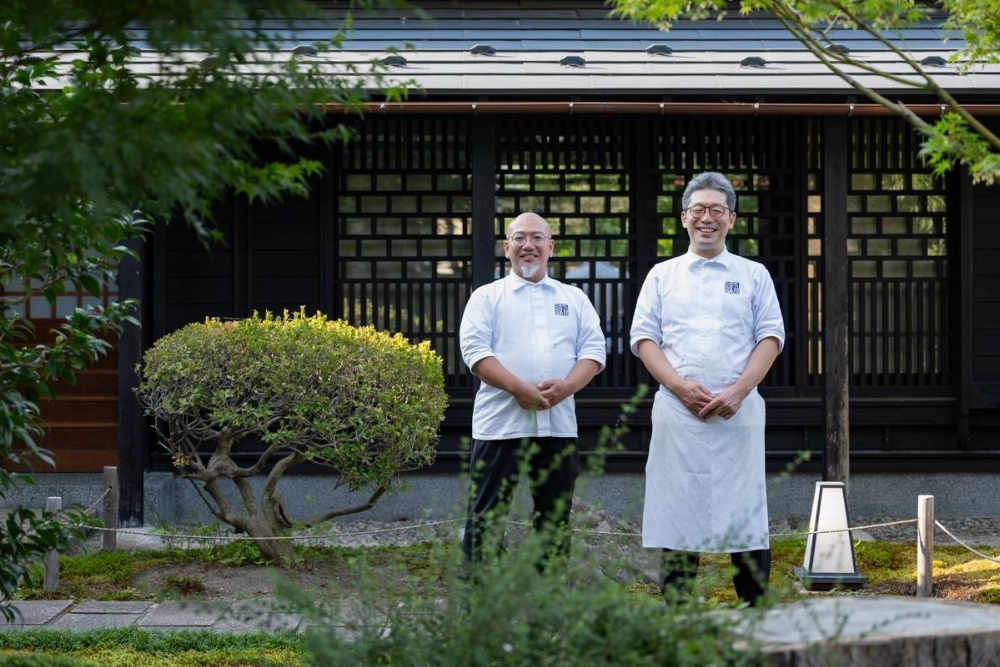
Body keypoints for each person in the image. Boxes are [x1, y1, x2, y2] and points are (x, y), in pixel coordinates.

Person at [629, 172, 785, 606]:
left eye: (717, 210)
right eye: (698, 209)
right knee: (679, 508)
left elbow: (770, 337)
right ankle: (677, 611)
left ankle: (756, 609)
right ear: (683, 218)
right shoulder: (662, 275)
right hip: (680, 414)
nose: (707, 218)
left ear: (732, 219)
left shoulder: (753, 274)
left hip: (739, 413)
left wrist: (738, 391)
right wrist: (679, 387)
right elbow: (644, 340)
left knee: (746, 510)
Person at [459, 212, 606, 566]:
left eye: (538, 238)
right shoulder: (487, 297)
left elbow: (594, 351)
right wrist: (518, 388)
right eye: (520, 238)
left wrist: (567, 386)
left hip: (557, 426)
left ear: (550, 247)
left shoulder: (573, 298)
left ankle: (548, 607)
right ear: (506, 247)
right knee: (486, 518)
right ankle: (480, 606)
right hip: (500, 426)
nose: (529, 245)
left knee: (554, 521)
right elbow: (475, 353)